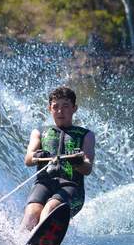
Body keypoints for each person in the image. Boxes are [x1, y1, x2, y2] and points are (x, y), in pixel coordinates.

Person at [21, 86, 95, 231]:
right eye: (55, 107)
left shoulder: (86, 135)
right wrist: (37, 156)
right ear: (50, 109)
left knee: (49, 210)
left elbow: (87, 168)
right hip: (43, 184)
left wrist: (78, 162)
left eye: (66, 106)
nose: (60, 111)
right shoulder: (40, 132)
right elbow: (28, 159)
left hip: (71, 188)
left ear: (74, 108)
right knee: (31, 215)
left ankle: (39, 240)